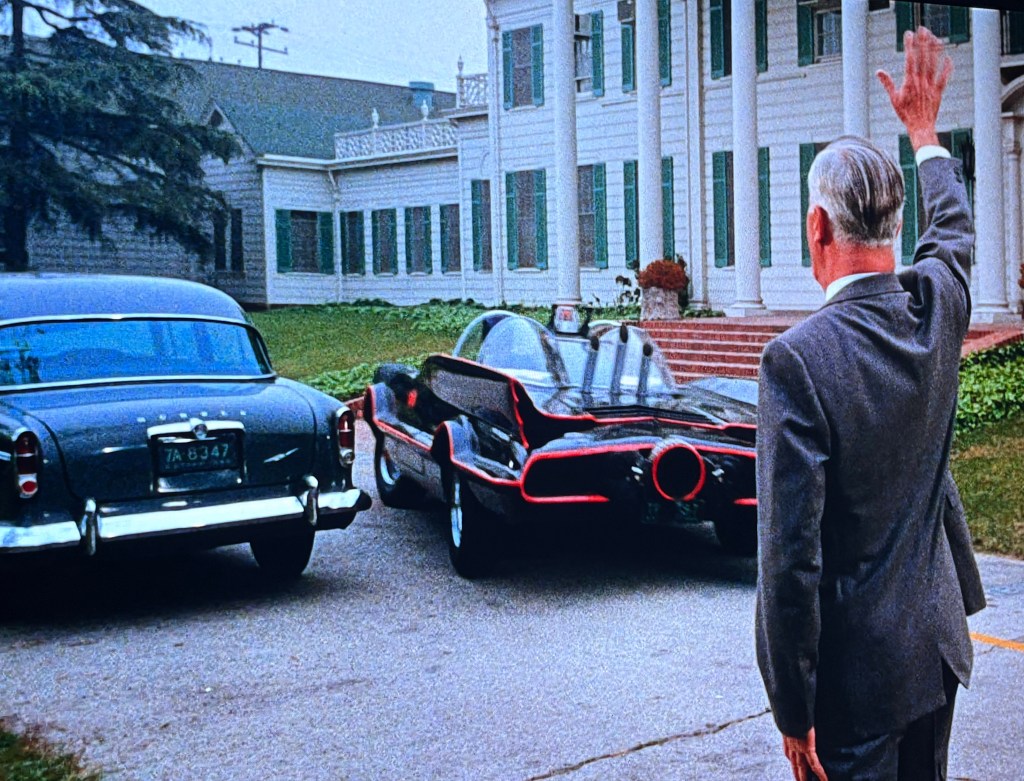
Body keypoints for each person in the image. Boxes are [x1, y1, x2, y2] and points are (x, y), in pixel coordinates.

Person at [755, 27, 986, 781]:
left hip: (857, 689)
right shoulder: (936, 303)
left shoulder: (797, 361)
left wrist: (793, 708)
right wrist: (924, 132)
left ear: (816, 228)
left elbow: (791, 561)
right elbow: (952, 230)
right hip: (936, 654)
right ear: (894, 228)